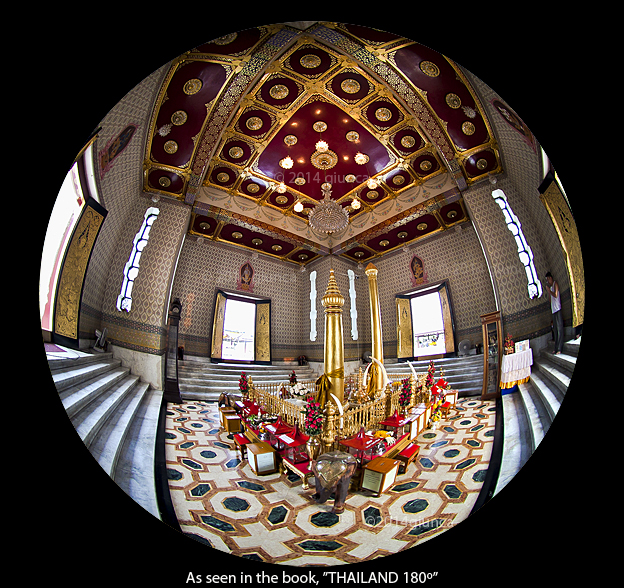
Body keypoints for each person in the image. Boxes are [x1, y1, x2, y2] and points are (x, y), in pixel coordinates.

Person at [545, 272, 563, 355]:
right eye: (547, 280)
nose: (548, 281)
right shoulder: (550, 287)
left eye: (548, 279)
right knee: (555, 330)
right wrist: (549, 292)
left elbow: (555, 295)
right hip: (553, 310)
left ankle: (559, 348)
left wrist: (550, 291)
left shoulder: (555, 284)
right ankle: (556, 348)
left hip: (558, 309)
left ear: (551, 278)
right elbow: (550, 300)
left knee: (559, 329)